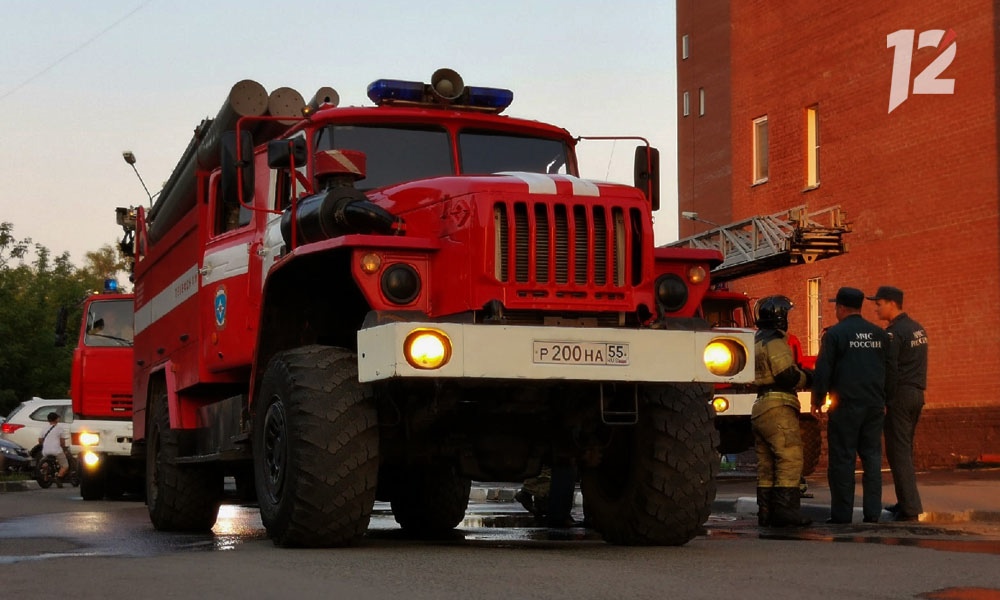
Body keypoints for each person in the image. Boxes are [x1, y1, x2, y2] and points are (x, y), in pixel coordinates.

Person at [811, 287, 894, 524]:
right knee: (872, 459)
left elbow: (824, 369)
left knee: (843, 460)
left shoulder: (835, 335)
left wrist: (817, 400)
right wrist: (886, 400)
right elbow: (889, 370)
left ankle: (842, 514)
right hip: (874, 406)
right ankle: (872, 513)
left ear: (840, 308)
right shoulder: (879, 334)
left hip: (845, 406)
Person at [751, 296, 812, 527]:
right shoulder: (775, 342)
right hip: (779, 406)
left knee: (766, 464)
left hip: (760, 407)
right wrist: (809, 377)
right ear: (779, 316)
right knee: (790, 457)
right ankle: (787, 512)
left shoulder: (755, 342)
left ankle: (766, 513)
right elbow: (787, 375)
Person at [869, 285, 928, 522]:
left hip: (900, 396)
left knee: (898, 452)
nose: (876, 308)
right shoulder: (917, 329)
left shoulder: (894, 333)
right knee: (905, 450)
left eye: (879, 303)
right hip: (916, 393)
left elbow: (890, 368)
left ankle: (910, 509)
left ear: (892, 303)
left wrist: (885, 398)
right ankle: (907, 501)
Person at [39, 411, 70, 488]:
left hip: (45, 451)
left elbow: (40, 440)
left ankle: (45, 478)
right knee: (65, 465)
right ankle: (58, 477)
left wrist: (45, 444)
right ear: (56, 419)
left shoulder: (44, 428)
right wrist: (64, 449)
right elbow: (62, 442)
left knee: (45, 464)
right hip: (56, 450)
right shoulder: (60, 428)